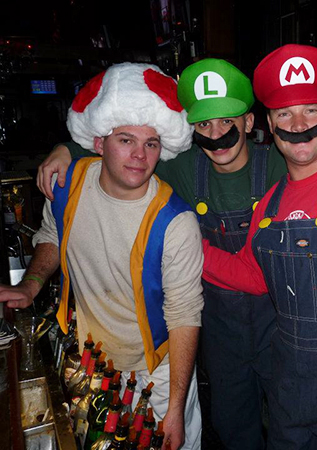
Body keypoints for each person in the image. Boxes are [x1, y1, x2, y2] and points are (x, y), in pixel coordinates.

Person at [35, 58, 287, 450]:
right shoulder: (181, 165)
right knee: (233, 430)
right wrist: (65, 148)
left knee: (289, 427)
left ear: (250, 122)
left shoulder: (278, 164)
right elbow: (121, 146)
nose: (216, 134)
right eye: (204, 124)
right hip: (220, 330)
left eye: (227, 121)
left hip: (278, 324)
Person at [0, 63, 204, 450]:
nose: (139, 155)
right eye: (126, 140)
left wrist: (175, 409)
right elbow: (53, 235)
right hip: (91, 360)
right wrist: (31, 284)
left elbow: (185, 315)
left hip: (158, 373)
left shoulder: (175, 222)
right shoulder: (68, 185)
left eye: (151, 144)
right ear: (98, 143)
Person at [200, 44, 317, 449]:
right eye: (284, 114)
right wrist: (187, 249)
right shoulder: (270, 203)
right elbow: (251, 275)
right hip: (286, 388)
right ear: (269, 123)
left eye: (311, 110)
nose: (298, 125)